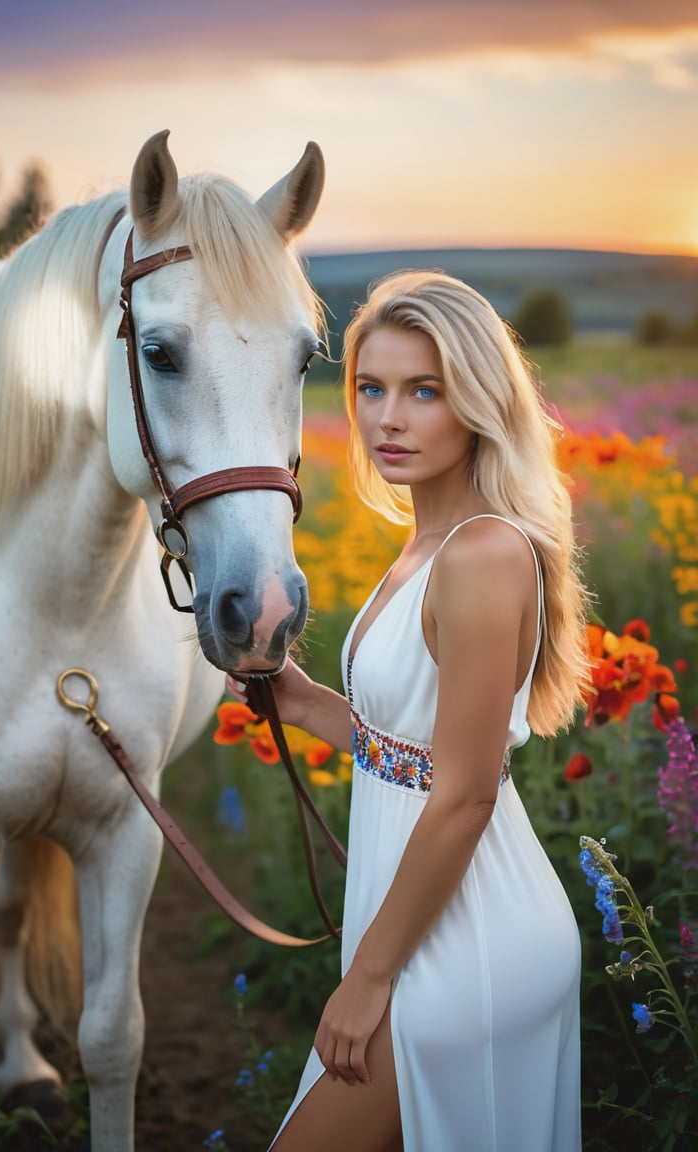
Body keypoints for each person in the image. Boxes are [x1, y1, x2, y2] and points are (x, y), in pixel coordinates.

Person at [229, 269, 589, 1152]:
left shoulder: (484, 553)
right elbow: (413, 751)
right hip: (420, 919)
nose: (388, 417)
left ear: (477, 401)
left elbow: (466, 793)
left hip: (471, 940)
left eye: (423, 391)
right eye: (371, 387)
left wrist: (368, 979)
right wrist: (304, 702)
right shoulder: (428, 544)